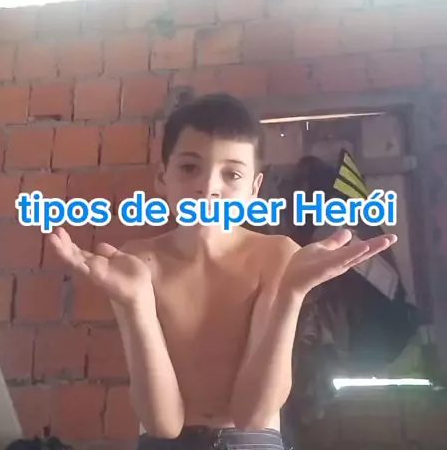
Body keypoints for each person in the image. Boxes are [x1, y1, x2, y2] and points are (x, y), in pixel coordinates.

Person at [48, 93, 397, 450]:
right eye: (189, 168)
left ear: (254, 189)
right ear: (162, 178)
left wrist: (291, 295)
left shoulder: (276, 256)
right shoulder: (137, 263)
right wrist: (136, 304)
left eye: (231, 174)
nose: (209, 188)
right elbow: (161, 424)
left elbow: (253, 417)